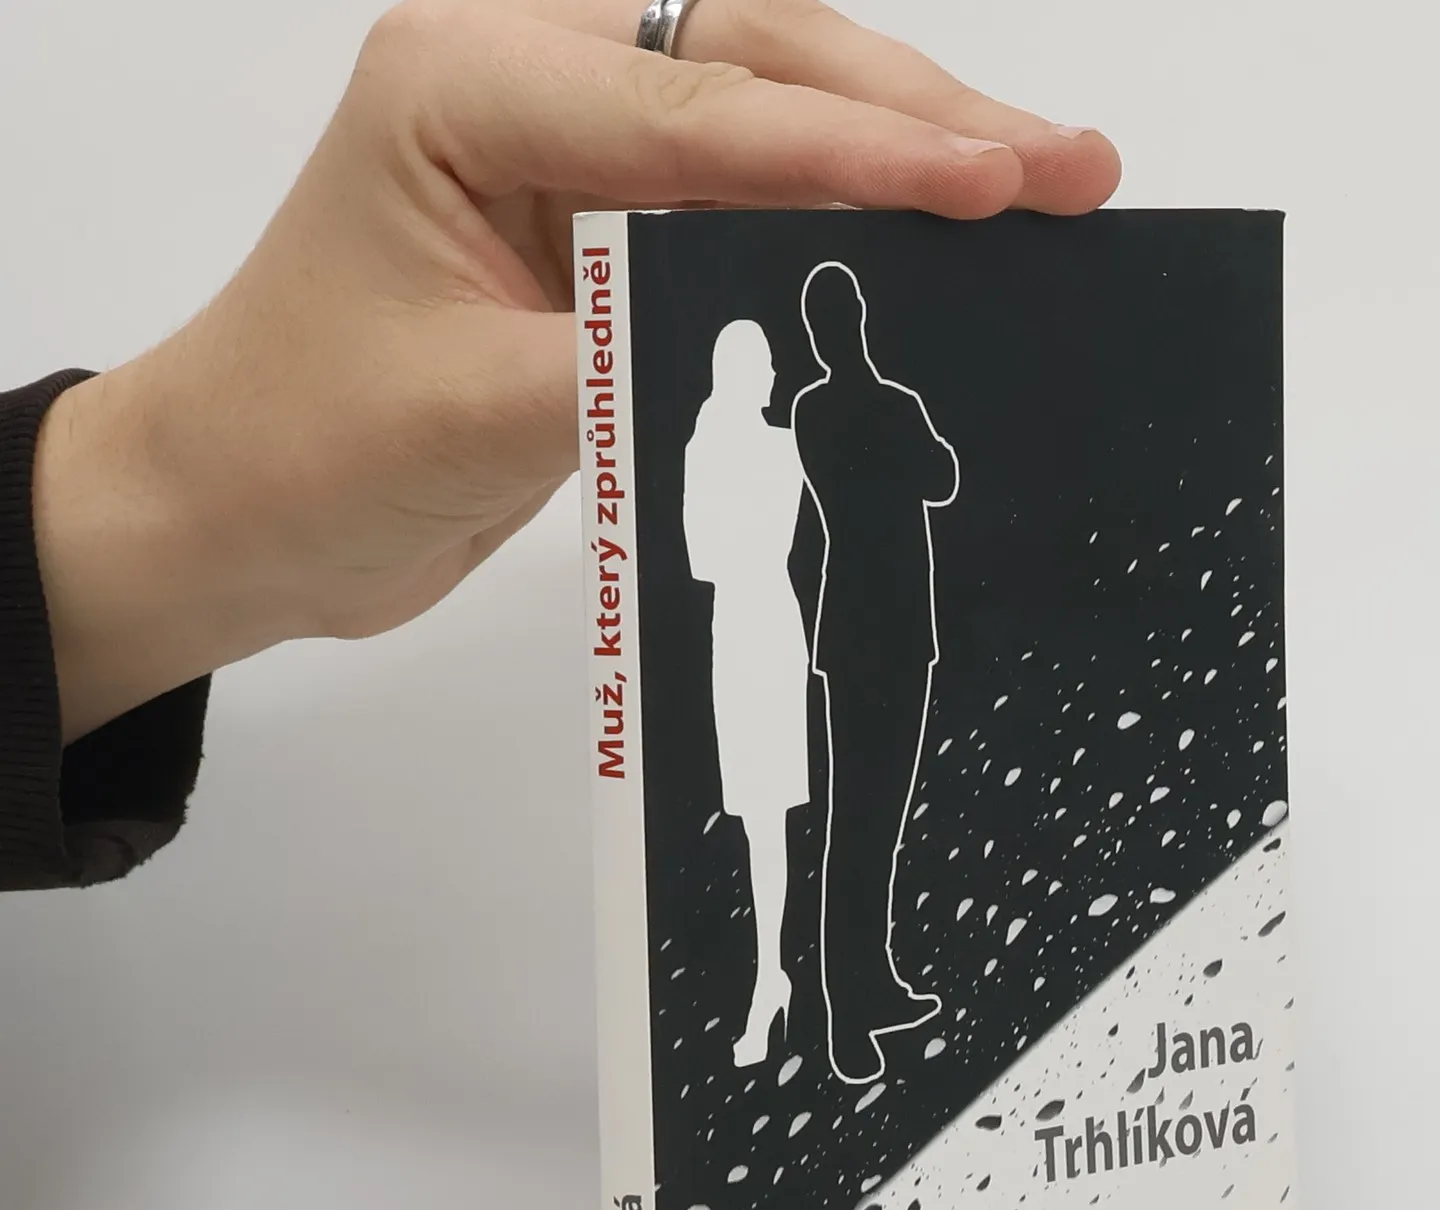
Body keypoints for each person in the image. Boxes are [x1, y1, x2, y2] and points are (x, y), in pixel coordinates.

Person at [0, 0, 1120, 894]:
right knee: (839, 807)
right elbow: (913, 486)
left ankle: (831, 980)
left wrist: (151, 510)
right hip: (803, 624)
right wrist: (164, 495)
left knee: (844, 808)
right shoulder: (823, 416)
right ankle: (821, 983)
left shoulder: (810, 419)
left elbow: (867, 497)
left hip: (811, 624)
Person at [792, 261, 955, 1084]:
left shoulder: (818, 409)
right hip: (876, 627)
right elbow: (939, 475)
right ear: (851, 320)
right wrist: (908, 447)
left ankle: (873, 982)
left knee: (874, 822)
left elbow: (934, 481)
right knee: (858, 822)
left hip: (874, 626)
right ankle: (844, 1013)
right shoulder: (879, 405)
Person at [683, 319, 811, 1069]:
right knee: (764, 816)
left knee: (768, 815)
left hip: (750, 623)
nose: (772, 375)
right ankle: (772, 975)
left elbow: (708, 556)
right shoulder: (765, 448)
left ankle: (772, 977)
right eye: (763, 363)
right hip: (751, 625)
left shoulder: (728, 449)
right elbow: (706, 557)